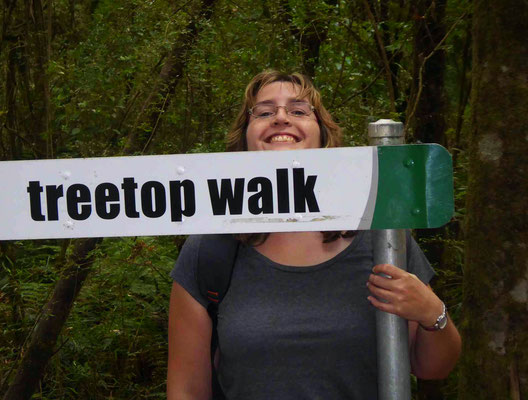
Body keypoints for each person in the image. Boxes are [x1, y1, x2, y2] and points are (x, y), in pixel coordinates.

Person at [167, 70, 461, 399]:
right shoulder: (209, 249)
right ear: (245, 138)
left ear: (323, 135)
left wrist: (432, 313)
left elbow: (434, 368)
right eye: (264, 112)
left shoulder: (382, 238)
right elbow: (187, 389)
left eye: (298, 111)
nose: (280, 118)